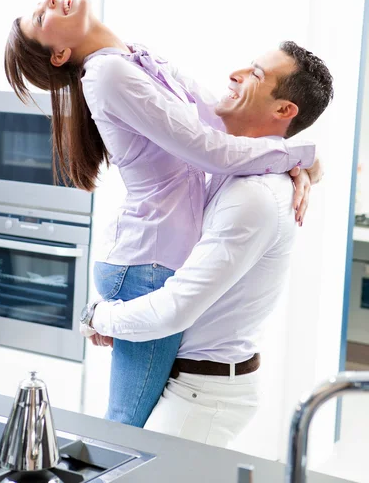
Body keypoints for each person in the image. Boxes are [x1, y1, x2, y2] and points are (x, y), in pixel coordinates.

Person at [4, 0, 315, 429]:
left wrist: (301, 161)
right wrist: (295, 156)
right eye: (42, 16)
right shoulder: (109, 73)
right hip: (148, 265)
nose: (50, 1)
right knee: (126, 427)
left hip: (149, 259)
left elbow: (217, 116)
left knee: (133, 427)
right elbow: (211, 150)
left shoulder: (130, 59)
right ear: (59, 54)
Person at [81, 41, 334, 447]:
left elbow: (174, 308)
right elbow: (179, 90)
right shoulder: (230, 159)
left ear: (284, 111)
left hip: (201, 395)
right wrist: (307, 163)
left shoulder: (254, 197)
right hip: (181, 374)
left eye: (254, 74)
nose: (234, 75)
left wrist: (98, 318)